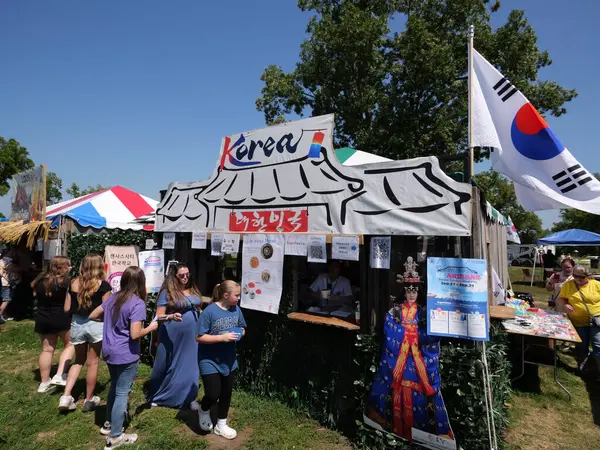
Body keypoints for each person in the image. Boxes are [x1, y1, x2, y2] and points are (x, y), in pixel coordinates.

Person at [365, 257, 454, 443]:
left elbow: (432, 332)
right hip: (400, 361)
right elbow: (389, 330)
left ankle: (419, 436)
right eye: (408, 290)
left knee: (418, 400)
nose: (412, 294)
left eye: (414, 290)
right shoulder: (394, 311)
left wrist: (413, 336)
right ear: (403, 290)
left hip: (418, 362)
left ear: (418, 291)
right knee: (396, 396)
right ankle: (398, 431)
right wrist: (409, 335)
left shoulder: (423, 312)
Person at [89, 266, 158, 449]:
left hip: (109, 350)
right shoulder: (137, 303)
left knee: (114, 387)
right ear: (141, 282)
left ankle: (108, 424)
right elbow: (135, 334)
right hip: (126, 354)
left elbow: (93, 314)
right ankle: (115, 436)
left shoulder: (113, 297)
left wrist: (110, 323)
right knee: (122, 392)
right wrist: (151, 327)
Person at [58, 255, 112, 412]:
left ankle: (66, 396)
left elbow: (67, 309)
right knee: (93, 362)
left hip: (77, 324)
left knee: (78, 360)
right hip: (96, 325)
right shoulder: (104, 286)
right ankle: (89, 399)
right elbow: (106, 309)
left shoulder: (73, 283)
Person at [196, 280, 246, 440]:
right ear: (226, 295)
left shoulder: (236, 309)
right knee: (213, 394)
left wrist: (240, 333)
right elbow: (199, 337)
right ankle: (203, 410)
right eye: (236, 295)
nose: (239, 298)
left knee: (226, 393)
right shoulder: (209, 312)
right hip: (209, 360)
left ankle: (221, 425)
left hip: (229, 360)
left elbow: (243, 328)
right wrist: (221, 338)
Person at [148, 263, 203, 409]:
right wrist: (171, 316)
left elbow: (198, 307)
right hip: (173, 333)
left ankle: (189, 397)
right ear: (174, 276)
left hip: (193, 333)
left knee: (191, 363)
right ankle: (163, 396)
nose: (185, 277)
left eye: (187, 274)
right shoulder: (167, 292)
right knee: (172, 363)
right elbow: (159, 316)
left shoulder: (192, 289)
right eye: (181, 275)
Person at [32, 256, 74, 393]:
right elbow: (69, 302)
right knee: (70, 345)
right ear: (62, 267)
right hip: (61, 316)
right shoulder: (66, 283)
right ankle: (59, 374)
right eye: (68, 266)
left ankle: (44, 382)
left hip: (43, 316)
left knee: (47, 349)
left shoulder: (39, 281)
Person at [557, 265, 600, 377]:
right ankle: (582, 369)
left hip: (596, 321)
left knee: (598, 346)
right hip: (578, 322)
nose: (578, 279)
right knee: (581, 347)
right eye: (576, 276)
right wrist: (566, 305)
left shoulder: (596, 285)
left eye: (581, 277)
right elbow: (562, 297)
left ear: (588, 276)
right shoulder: (568, 285)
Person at [0, 250, 17, 324]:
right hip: (5, 283)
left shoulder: (3, 261)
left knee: (4, 300)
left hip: (3, 283)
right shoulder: (4, 262)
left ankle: (4, 315)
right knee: (6, 300)